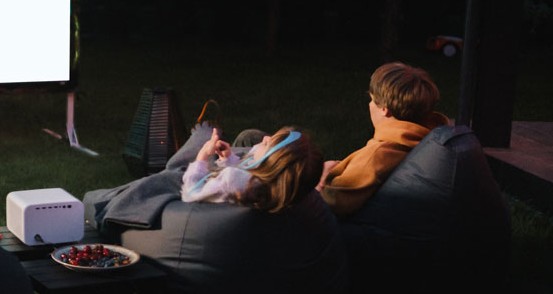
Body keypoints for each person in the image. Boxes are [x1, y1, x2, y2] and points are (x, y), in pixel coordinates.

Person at [318, 62, 448, 219]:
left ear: (384, 109)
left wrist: (322, 178)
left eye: (372, 99)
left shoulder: (379, 154)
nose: (369, 104)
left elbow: (334, 201)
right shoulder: (429, 138)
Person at [182, 126, 324, 212]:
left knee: (200, 133)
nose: (265, 137)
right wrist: (228, 160)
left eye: (268, 143)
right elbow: (249, 174)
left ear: (271, 164)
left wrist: (201, 157)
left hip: (189, 199)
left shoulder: (231, 178)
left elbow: (190, 194)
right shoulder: (274, 188)